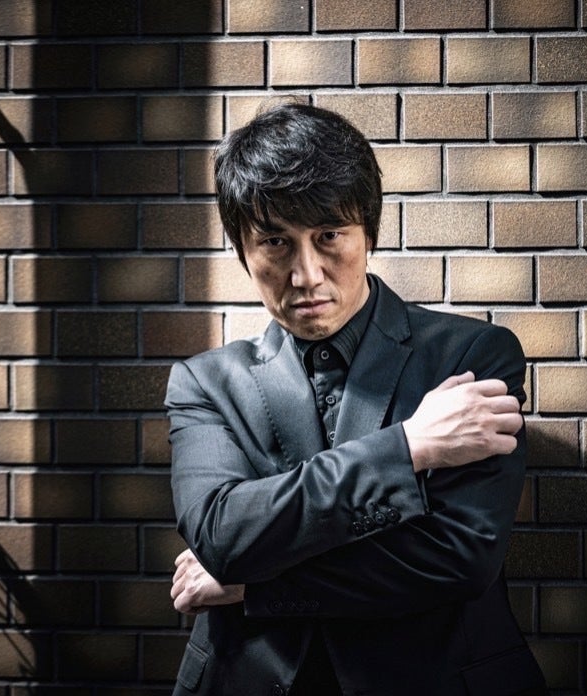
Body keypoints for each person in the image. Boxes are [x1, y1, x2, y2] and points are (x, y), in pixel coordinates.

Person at [166, 102, 546, 696]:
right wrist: (408, 448)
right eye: (275, 242)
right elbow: (221, 535)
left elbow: (459, 557)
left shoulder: (471, 357)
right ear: (242, 251)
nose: (306, 275)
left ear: (369, 231)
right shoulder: (205, 383)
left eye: (329, 236)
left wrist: (254, 585)